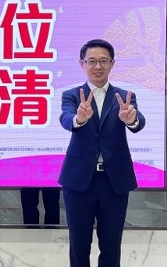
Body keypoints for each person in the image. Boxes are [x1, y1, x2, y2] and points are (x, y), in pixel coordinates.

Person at [58, 39, 145, 267]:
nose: (98, 66)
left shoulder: (124, 96)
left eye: (104, 61)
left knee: (111, 244)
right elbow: (66, 119)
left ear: (112, 64)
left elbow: (138, 122)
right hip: (79, 181)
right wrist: (79, 119)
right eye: (92, 61)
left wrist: (131, 119)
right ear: (82, 64)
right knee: (79, 244)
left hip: (113, 180)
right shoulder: (71, 95)